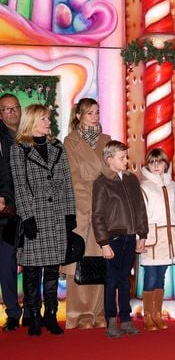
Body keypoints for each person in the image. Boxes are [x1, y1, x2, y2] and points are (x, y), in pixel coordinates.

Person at [10, 104, 77, 336]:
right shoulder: (19, 149)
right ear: (32, 121)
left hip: (57, 215)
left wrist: (70, 214)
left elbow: (67, 183)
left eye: (48, 119)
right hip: (35, 216)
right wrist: (27, 216)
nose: (49, 122)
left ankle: (51, 315)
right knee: (31, 271)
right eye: (44, 119)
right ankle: (34, 315)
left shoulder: (57, 146)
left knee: (51, 270)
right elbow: (20, 186)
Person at [61, 98, 111, 329]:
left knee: (100, 261)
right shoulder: (69, 141)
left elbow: (112, 173)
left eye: (97, 112)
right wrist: (97, 175)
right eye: (89, 112)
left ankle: (98, 313)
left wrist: (97, 179)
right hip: (80, 207)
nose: (95, 116)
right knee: (78, 260)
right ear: (79, 116)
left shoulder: (107, 140)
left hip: (103, 207)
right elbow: (72, 176)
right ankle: (76, 314)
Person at [92, 140, 148, 338]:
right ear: (109, 160)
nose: (126, 160)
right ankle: (110, 320)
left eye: (126, 157)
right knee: (112, 280)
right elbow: (97, 216)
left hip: (130, 236)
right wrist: (104, 243)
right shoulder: (102, 182)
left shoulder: (132, 180)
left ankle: (126, 319)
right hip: (113, 238)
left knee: (125, 280)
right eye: (122, 157)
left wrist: (142, 235)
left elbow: (140, 209)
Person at [140, 148, 175, 331]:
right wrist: (141, 237)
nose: (156, 166)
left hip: (167, 238)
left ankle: (157, 314)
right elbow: (141, 216)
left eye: (159, 162)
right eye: (152, 162)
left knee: (161, 277)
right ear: (148, 165)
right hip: (152, 237)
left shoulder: (172, 186)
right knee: (151, 277)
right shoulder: (144, 187)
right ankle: (148, 316)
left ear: (166, 164)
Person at [0, 93, 22, 331]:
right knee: (6, 264)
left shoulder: (29, 134)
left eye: (15, 108)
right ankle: (13, 312)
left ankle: (34, 309)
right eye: (6, 109)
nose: (12, 112)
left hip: (27, 210)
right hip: (5, 210)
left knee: (33, 262)